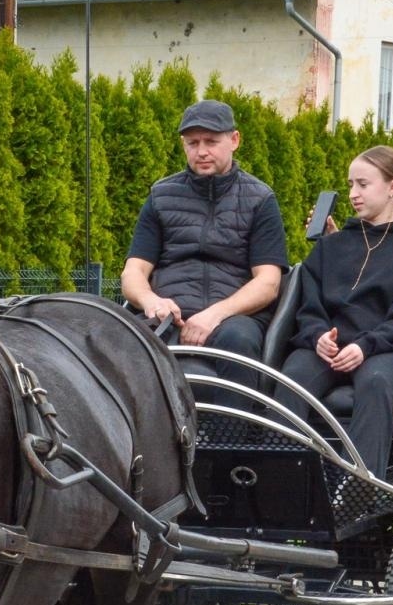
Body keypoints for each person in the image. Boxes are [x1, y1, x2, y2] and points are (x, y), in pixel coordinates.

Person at [275, 145, 393, 473]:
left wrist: (366, 345)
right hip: (330, 346)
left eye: (363, 185)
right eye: (350, 184)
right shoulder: (332, 245)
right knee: (293, 378)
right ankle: (280, 483)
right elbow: (308, 304)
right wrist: (317, 335)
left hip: (390, 348)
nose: (353, 193)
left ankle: (361, 491)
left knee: (375, 382)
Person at [121, 99, 288, 395]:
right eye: (192, 143)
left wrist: (215, 315)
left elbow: (268, 282)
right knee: (126, 341)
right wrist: (150, 301)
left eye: (211, 141)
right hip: (168, 315)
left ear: (234, 140)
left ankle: (231, 438)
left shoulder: (261, 199)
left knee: (240, 340)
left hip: (235, 318)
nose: (201, 152)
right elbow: (134, 271)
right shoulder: (160, 196)